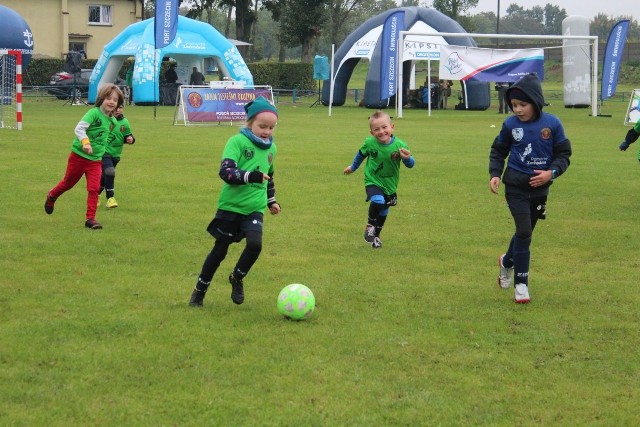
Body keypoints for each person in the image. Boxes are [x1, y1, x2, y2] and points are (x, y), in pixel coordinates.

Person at [189, 96, 281, 307]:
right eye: (262, 126)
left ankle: (237, 277)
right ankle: (199, 291)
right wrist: (250, 176)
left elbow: (269, 177)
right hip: (231, 206)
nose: (267, 131)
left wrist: (271, 201)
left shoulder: (272, 149)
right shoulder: (237, 142)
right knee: (220, 250)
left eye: (271, 127)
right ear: (250, 122)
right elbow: (226, 172)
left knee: (255, 245)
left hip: (254, 208)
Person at [489, 73, 572, 304]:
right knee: (524, 232)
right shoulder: (510, 125)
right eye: (514, 105)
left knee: (525, 233)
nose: (517, 109)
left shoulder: (552, 124)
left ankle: (506, 262)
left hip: (540, 190)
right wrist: (495, 174)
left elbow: (564, 155)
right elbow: (498, 151)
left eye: (522, 105)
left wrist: (550, 173)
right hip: (515, 187)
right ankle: (522, 284)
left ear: (535, 102)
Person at [44, 83, 124, 230]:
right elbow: (79, 128)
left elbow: (105, 136)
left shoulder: (112, 121)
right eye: (108, 98)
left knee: (94, 188)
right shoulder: (93, 113)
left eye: (115, 100)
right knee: (68, 184)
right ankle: (52, 196)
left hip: (95, 161)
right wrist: (86, 143)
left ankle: (90, 219)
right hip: (79, 157)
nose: (111, 102)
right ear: (101, 98)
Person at [343, 110, 415, 249]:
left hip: (390, 184)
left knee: (383, 210)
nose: (381, 132)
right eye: (377, 129)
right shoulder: (370, 143)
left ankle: (376, 236)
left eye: (384, 127)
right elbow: (360, 155)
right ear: (372, 133)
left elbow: (410, 165)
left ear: (392, 127)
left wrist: (407, 158)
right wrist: (352, 167)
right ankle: (370, 225)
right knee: (378, 201)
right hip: (373, 180)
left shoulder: (400, 145)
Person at [99, 102, 136, 209]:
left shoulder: (125, 122)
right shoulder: (105, 120)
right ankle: (111, 198)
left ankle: (95, 195)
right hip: (104, 151)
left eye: (120, 108)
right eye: (116, 108)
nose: (117, 110)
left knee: (105, 177)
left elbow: (127, 135)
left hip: (116, 154)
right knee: (110, 172)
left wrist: (131, 139)